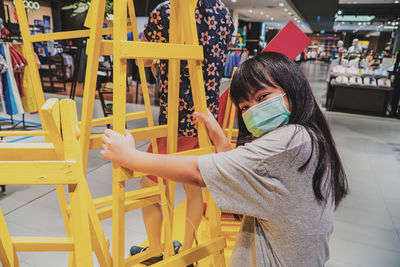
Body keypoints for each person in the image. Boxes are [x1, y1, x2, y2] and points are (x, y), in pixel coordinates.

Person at [101, 51, 348, 267]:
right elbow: (254, 174)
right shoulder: (310, 136)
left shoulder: (289, 141)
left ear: (292, 88)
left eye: (262, 97)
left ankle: (168, 247)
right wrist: (220, 139)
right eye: (244, 107)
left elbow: (199, 173)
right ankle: (179, 247)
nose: (253, 111)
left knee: (172, 188)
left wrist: (130, 156)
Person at [129, 0, 233, 265]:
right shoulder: (223, 12)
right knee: (193, 187)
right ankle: (187, 252)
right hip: (207, 117)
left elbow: (144, 56)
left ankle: (155, 249)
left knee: (149, 183)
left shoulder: (167, 10)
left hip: (175, 116)